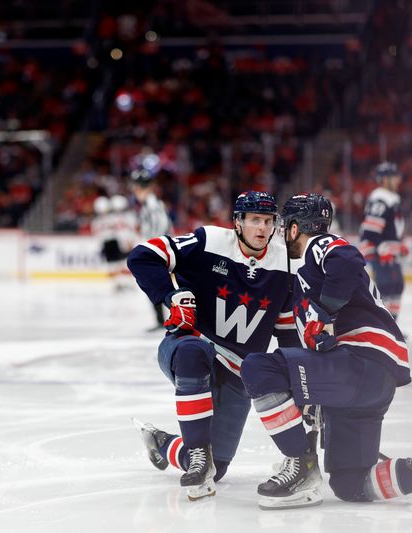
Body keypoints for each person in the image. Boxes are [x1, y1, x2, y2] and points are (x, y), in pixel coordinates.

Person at [240, 193, 412, 510]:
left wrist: (325, 313)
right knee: (351, 484)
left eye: (284, 226)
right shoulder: (306, 276)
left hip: (360, 362)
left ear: (294, 228)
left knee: (258, 368)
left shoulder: (317, 246)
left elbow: (347, 261)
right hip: (370, 380)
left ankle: (301, 467)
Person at [127, 191, 299, 501]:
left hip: (238, 373)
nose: (262, 228)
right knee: (195, 353)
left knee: (217, 469)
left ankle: (164, 444)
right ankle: (198, 456)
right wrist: (171, 296)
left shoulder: (285, 265)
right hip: (189, 347)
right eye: (255, 220)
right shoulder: (209, 242)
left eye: (268, 221)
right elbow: (142, 255)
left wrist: (301, 380)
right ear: (238, 222)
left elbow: (287, 334)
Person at [359, 161, 409, 319]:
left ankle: (392, 325)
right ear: (384, 179)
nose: (398, 180)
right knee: (386, 287)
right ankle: (384, 326)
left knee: (396, 286)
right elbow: (370, 230)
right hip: (380, 252)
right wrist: (381, 248)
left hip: (387, 250)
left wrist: (399, 244)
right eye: (394, 177)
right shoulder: (381, 198)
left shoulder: (391, 198)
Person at [130, 167, 173, 328]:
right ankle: (162, 319)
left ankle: (170, 319)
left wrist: (154, 248)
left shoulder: (152, 204)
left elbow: (160, 227)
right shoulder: (150, 204)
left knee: (158, 285)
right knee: (155, 285)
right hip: (159, 250)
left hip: (158, 251)